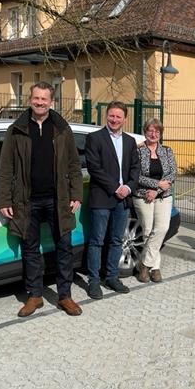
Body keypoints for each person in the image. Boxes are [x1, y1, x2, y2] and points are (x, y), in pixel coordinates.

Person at [0, 82, 84, 317]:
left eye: (44, 99)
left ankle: (65, 296)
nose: (40, 102)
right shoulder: (16, 129)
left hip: (58, 200)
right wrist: (4, 200)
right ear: (30, 100)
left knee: (64, 248)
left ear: (51, 102)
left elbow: (74, 165)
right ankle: (35, 296)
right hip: (27, 201)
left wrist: (76, 194)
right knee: (30, 249)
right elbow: (6, 168)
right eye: (36, 98)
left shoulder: (62, 129)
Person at [84, 101, 140, 299]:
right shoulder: (94, 138)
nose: (114, 119)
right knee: (97, 241)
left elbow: (135, 169)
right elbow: (94, 168)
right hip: (102, 197)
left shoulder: (130, 141)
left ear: (125, 119)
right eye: (111, 115)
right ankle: (93, 282)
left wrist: (128, 187)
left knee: (117, 240)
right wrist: (115, 187)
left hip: (122, 199)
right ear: (106, 116)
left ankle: (112, 277)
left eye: (118, 116)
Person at [133, 118, 177, 283]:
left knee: (162, 229)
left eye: (157, 131)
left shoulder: (167, 151)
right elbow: (136, 175)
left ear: (160, 134)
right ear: (145, 132)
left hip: (163, 196)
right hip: (143, 196)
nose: (153, 134)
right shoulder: (137, 151)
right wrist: (155, 184)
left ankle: (144, 264)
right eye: (150, 130)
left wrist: (157, 190)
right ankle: (155, 267)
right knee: (148, 231)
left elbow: (173, 174)